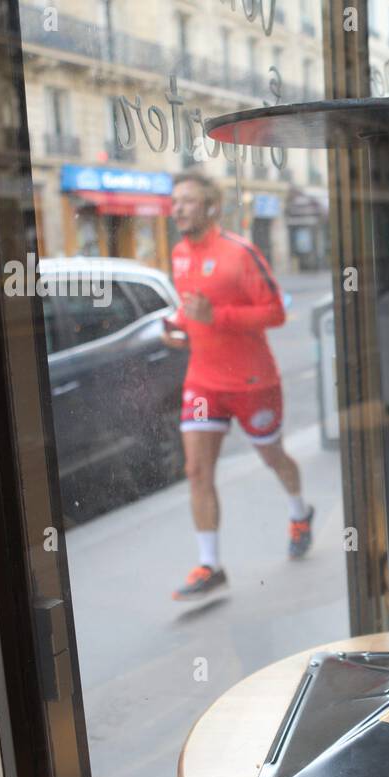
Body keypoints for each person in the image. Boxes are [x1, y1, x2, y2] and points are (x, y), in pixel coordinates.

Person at [161, 170, 313, 601]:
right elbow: (192, 309)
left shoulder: (239, 253)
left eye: (188, 200)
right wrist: (176, 325)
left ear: (210, 207)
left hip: (251, 382)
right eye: (175, 201)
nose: (178, 208)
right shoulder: (178, 254)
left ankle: (299, 513)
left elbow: (276, 312)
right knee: (196, 471)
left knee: (272, 456)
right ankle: (210, 565)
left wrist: (219, 318)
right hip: (204, 382)